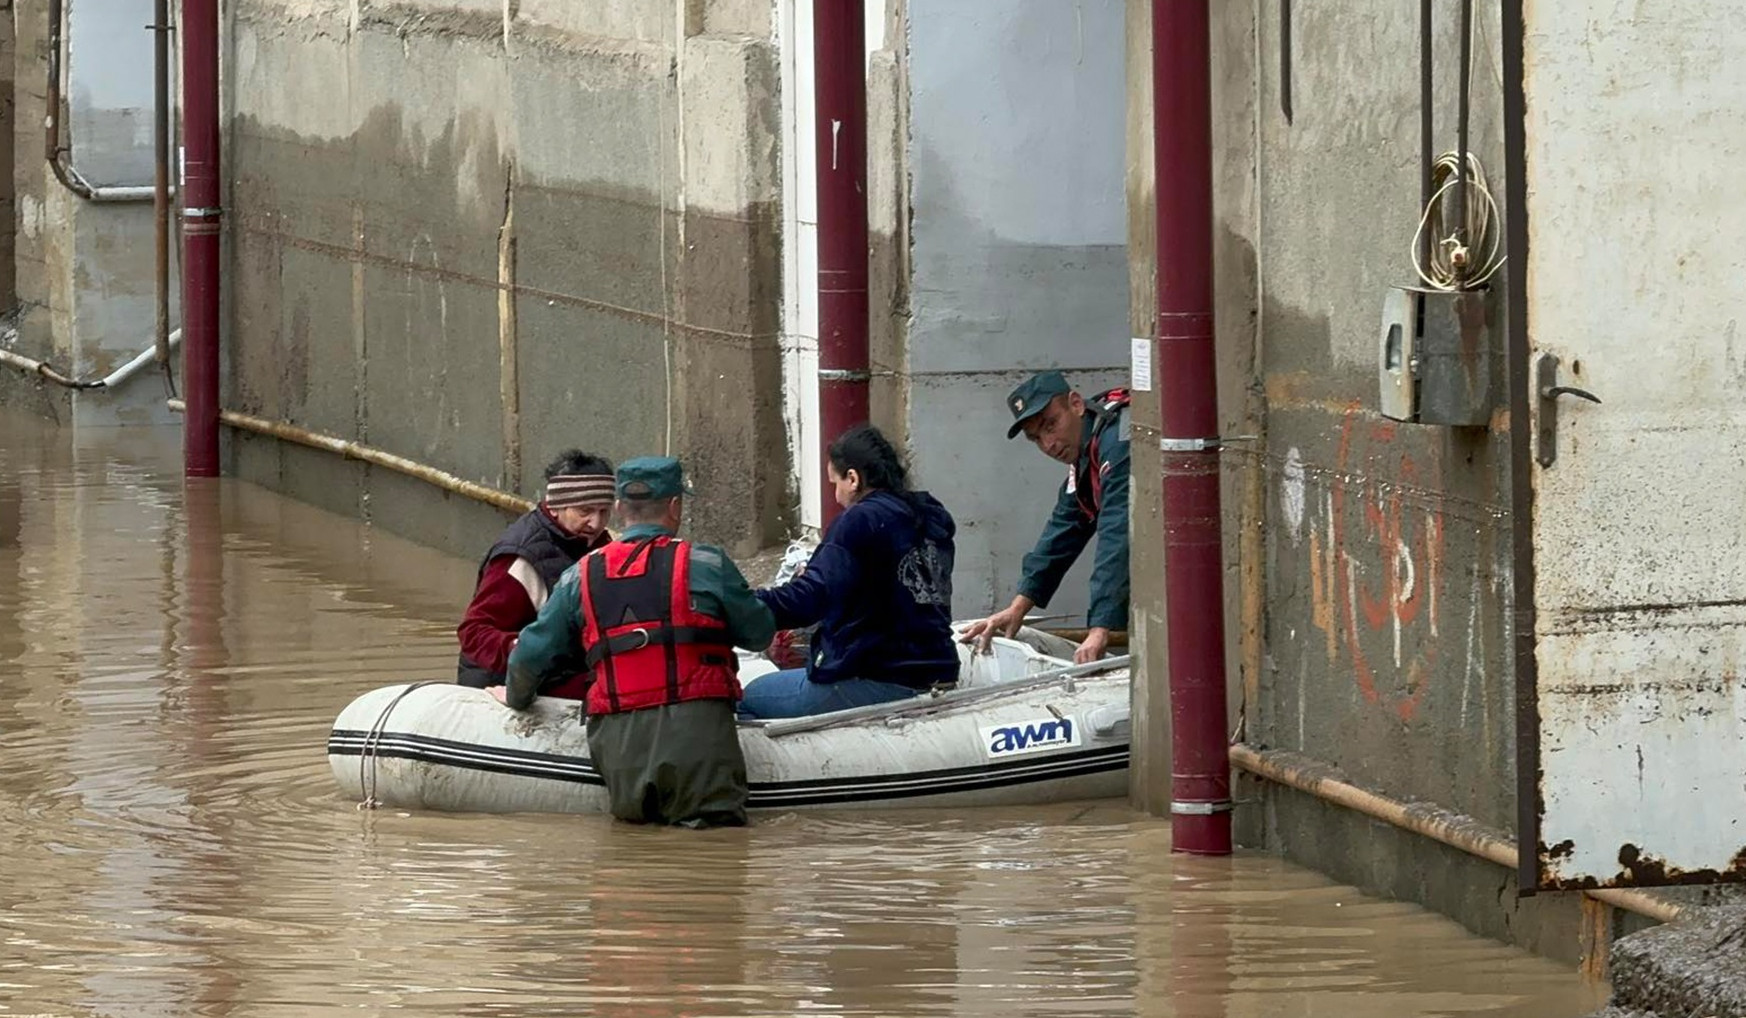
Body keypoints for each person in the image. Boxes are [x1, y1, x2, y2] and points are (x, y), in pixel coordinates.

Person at [496, 456, 776, 828]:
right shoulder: (708, 563)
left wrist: (515, 699)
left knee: (634, 854)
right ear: (675, 506)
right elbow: (759, 634)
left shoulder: (579, 576)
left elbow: (529, 657)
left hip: (620, 746)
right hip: (698, 739)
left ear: (617, 508)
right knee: (712, 854)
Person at [738, 424, 958, 720]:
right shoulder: (930, 519)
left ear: (852, 479)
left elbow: (810, 599)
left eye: (835, 484)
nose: (837, 495)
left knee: (745, 697)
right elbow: (891, 591)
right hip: (938, 671)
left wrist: (743, 605)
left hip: (878, 679)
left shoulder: (859, 519)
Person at [960, 370, 1130, 664]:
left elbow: (1118, 533)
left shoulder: (1117, 442)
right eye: (1036, 438)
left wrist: (1100, 628)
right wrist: (1018, 607)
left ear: (1076, 404)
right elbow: (1063, 528)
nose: (1048, 444)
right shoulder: (1087, 452)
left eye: (1051, 425)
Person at [456, 450, 615, 698]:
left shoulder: (596, 545)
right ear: (555, 506)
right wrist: (524, 650)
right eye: (585, 511)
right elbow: (474, 632)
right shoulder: (520, 558)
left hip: (567, 671)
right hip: (505, 682)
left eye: (604, 512)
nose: (596, 523)